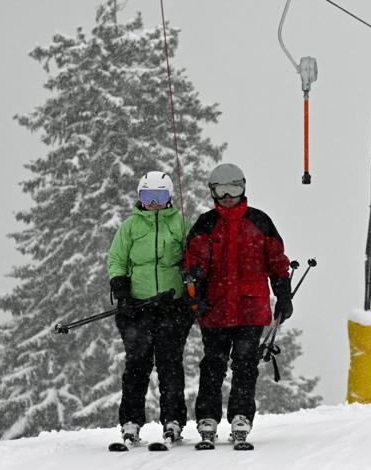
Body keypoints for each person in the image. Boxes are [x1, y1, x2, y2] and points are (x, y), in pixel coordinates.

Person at [184, 162, 292, 447]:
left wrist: (283, 293)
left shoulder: (260, 221)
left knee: (245, 365)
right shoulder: (206, 224)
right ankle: (207, 416)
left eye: (234, 188)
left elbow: (277, 261)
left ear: (243, 188)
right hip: (215, 308)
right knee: (213, 363)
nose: (228, 195)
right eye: (221, 190)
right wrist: (193, 289)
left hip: (250, 308)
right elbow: (194, 262)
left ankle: (241, 415)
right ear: (212, 192)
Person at [107, 170, 193, 447]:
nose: (153, 203)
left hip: (172, 307)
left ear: (168, 198)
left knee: (169, 364)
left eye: (159, 197)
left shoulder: (179, 224)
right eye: (147, 197)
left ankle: (173, 420)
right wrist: (120, 287)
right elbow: (117, 259)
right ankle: (131, 421)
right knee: (137, 364)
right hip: (137, 308)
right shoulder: (130, 227)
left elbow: (191, 257)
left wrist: (190, 282)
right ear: (140, 198)